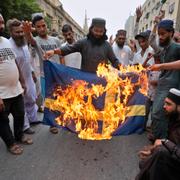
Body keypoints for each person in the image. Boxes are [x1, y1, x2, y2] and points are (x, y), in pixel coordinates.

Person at [22, 15, 63, 134]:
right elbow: (30, 40)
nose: (42, 28)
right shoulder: (36, 41)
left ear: (47, 26)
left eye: (43, 25)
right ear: (35, 28)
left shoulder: (55, 40)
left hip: (58, 74)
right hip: (46, 75)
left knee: (60, 98)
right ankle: (52, 124)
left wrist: (63, 69)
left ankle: (60, 119)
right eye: (38, 27)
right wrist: (27, 32)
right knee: (49, 100)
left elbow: (61, 56)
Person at [0, 14, 32, 155]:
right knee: (2, 121)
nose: (1, 26)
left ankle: (19, 136)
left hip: (16, 89)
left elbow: (14, 63)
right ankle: (11, 143)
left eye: (1, 22)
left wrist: (22, 82)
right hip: (2, 93)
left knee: (19, 114)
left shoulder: (5, 42)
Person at [44, 18, 120, 73]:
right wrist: (54, 51)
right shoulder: (83, 42)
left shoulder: (106, 45)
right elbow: (68, 49)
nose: (98, 33)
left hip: (101, 81)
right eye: (96, 30)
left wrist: (125, 69)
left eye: (101, 31)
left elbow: (114, 61)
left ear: (104, 32)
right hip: (85, 80)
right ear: (91, 30)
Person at [136, 88, 180, 180]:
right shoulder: (174, 117)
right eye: (164, 103)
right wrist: (152, 150)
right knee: (144, 163)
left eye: (168, 104)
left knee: (160, 154)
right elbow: (172, 141)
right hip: (173, 159)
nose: (164, 106)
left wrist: (164, 142)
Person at [7, 18, 39, 134]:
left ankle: (33, 119)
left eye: (21, 31)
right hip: (17, 80)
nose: (20, 34)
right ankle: (25, 126)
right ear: (11, 32)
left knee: (31, 98)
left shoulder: (24, 42)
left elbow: (27, 60)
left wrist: (32, 73)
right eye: (17, 32)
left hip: (28, 76)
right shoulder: (8, 45)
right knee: (21, 105)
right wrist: (20, 81)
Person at [151, 19, 180, 140]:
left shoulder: (177, 47)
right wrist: (155, 24)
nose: (160, 37)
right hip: (161, 86)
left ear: (171, 33)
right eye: (159, 34)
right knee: (156, 113)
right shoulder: (163, 49)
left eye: (163, 34)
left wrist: (161, 66)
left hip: (171, 86)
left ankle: (161, 144)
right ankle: (159, 141)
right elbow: (151, 41)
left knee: (159, 113)